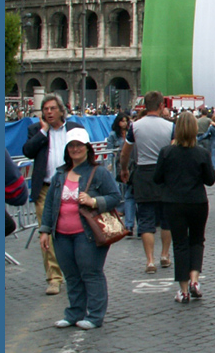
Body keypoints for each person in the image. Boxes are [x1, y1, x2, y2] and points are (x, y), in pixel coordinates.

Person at [37, 128, 122, 329]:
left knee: (91, 273)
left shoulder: (98, 171)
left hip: (88, 234)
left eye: (79, 145)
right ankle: (74, 313)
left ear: (87, 148)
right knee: (72, 275)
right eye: (71, 146)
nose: (75, 149)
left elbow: (115, 196)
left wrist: (94, 201)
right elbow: (50, 204)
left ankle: (94, 315)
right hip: (62, 235)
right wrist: (45, 230)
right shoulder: (60, 174)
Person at [22, 95, 83, 295]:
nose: (48, 112)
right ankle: (54, 278)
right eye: (45, 109)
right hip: (45, 189)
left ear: (60, 110)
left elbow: (84, 151)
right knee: (46, 231)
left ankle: (75, 272)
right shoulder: (36, 130)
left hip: (70, 186)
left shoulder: (73, 128)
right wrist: (43, 132)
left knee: (74, 230)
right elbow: (28, 151)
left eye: (52, 108)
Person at [154, 111, 215, 304]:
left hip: (174, 203)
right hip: (197, 202)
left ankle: (183, 289)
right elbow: (211, 180)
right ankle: (195, 279)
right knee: (197, 240)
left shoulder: (166, 152)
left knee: (180, 244)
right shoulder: (202, 153)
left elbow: (157, 178)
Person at [120, 91, 174, 273]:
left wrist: (124, 169)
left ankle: (149, 260)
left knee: (146, 219)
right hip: (165, 173)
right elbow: (174, 151)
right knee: (166, 220)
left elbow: (125, 152)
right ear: (161, 106)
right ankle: (165, 255)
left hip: (143, 174)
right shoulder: (170, 126)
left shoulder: (134, 127)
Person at [104, 111, 136, 236]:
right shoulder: (113, 134)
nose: (124, 123)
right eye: (122, 121)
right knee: (122, 190)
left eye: (125, 121)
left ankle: (128, 221)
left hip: (130, 165)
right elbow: (109, 149)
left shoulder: (129, 133)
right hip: (119, 164)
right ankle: (123, 214)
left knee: (128, 193)